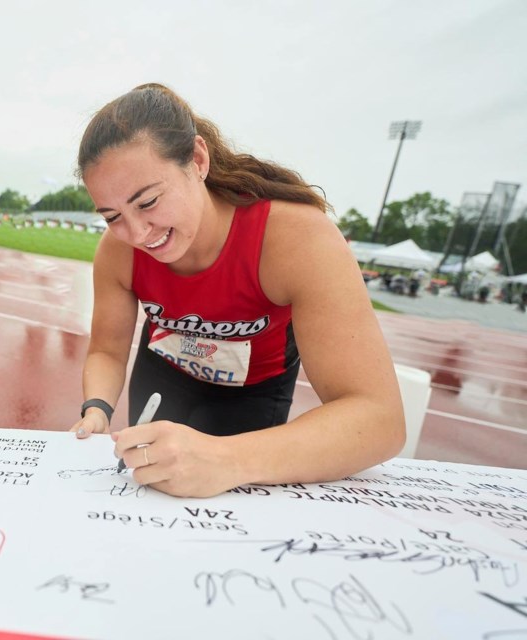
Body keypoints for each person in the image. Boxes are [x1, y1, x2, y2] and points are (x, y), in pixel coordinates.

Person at [68, 83, 405, 498]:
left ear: (197, 159)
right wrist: (97, 409)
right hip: (165, 374)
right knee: (152, 491)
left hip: (254, 387)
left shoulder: (296, 239)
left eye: (149, 201)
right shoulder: (119, 251)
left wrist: (229, 460)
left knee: (226, 501)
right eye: (113, 216)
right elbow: (106, 349)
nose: (137, 234)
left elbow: (379, 420)